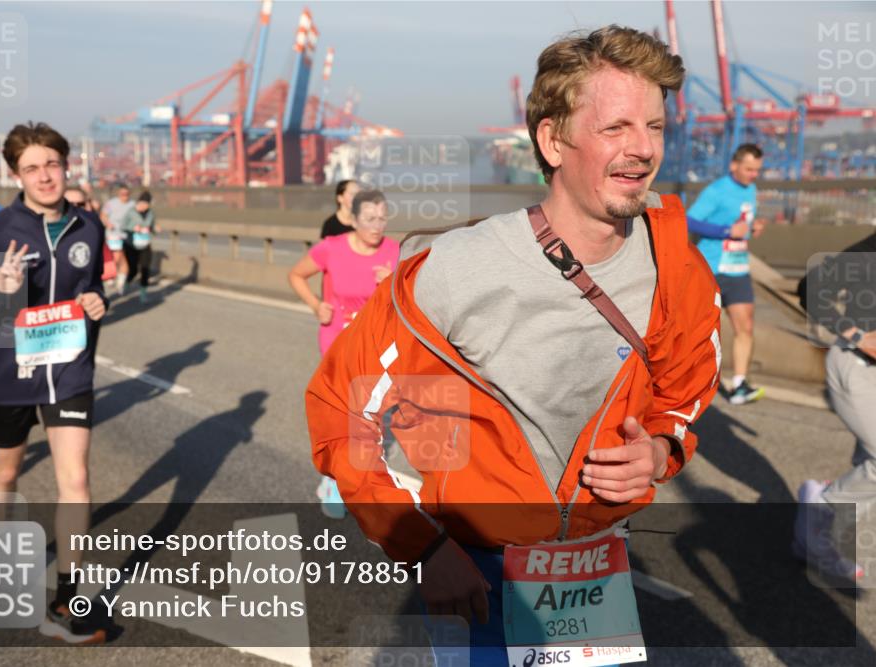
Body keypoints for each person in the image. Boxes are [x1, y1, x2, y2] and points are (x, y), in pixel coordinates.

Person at [305, 26, 721, 663]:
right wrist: (424, 547)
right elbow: (342, 411)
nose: (643, 149)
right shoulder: (453, 270)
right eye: (616, 128)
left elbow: (684, 388)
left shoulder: (678, 266)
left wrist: (662, 449)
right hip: (474, 571)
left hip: (595, 571)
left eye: (655, 126)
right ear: (553, 140)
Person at [0, 122, 108, 644]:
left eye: (52, 165)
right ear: (16, 174)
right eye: (32, 168)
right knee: (5, 471)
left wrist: (96, 303)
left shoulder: (88, 226)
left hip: (69, 370)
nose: (45, 176)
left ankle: (68, 600)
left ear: (67, 166)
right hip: (7, 372)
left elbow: (93, 285)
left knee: (76, 479)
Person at [290, 189, 400, 518]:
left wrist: (392, 283)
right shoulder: (331, 248)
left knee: (370, 415)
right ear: (353, 220)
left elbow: (408, 301)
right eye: (369, 219)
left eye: (382, 218)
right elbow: (296, 275)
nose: (377, 226)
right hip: (336, 341)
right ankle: (337, 482)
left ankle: (351, 473)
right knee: (346, 414)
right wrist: (315, 305)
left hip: (375, 345)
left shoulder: (394, 251)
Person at [795, 231, 876, 582]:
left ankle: (820, 541)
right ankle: (822, 507)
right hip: (856, 365)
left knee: (866, 463)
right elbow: (811, 287)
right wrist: (857, 334)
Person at [686, 144, 767, 405]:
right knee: (699, 331)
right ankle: (685, 384)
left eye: (757, 170)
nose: (753, 175)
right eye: (748, 169)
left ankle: (739, 385)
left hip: (739, 269)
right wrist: (726, 231)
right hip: (712, 268)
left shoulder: (751, 189)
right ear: (734, 165)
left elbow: (741, 224)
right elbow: (689, 220)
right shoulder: (717, 190)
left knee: (746, 327)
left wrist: (753, 227)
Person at [123, 191, 157, 303]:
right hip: (131, 244)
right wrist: (133, 228)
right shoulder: (130, 212)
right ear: (139, 202)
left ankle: (143, 293)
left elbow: (151, 226)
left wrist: (155, 229)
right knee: (133, 269)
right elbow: (123, 226)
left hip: (145, 244)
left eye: (147, 204)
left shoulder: (150, 213)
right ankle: (127, 282)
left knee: (145, 268)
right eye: (143, 204)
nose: (145, 207)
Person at [100, 183, 133, 295]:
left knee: (125, 261)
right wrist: (108, 224)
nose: (125, 196)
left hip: (128, 236)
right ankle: (112, 276)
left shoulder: (132, 204)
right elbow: (103, 216)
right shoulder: (111, 203)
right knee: (117, 256)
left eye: (127, 194)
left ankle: (120, 282)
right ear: (119, 194)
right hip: (113, 234)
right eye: (122, 194)